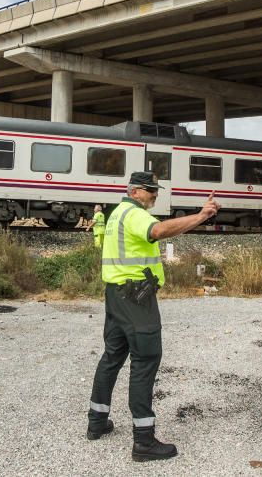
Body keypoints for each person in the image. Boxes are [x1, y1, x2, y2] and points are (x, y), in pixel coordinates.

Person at [86, 171, 221, 462]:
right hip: (135, 297)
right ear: (134, 191)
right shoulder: (134, 214)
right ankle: (144, 442)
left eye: (155, 190)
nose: (154, 194)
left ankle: (96, 422)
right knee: (145, 361)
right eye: (149, 190)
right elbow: (158, 231)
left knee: (112, 356)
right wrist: (201, 216)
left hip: (115, 295)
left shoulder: (115, 215)